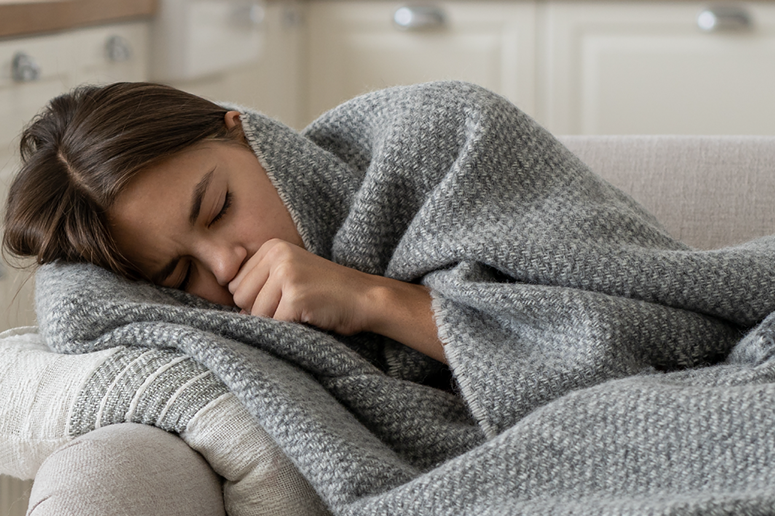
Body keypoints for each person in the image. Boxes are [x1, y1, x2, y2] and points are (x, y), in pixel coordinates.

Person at [2, 82, 446, 363]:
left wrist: (370, 298)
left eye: (219, 208)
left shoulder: (436, 134)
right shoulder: (233, 328)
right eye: (180, 272)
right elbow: (74, 307)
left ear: (242, 133)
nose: (225, 267)